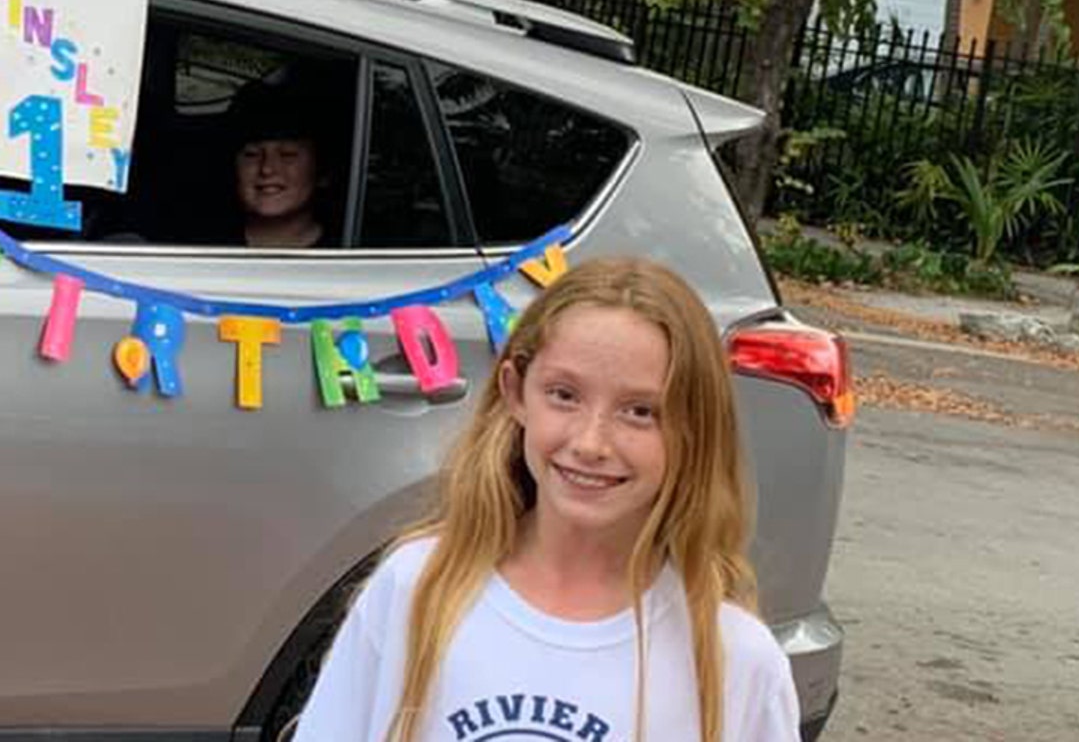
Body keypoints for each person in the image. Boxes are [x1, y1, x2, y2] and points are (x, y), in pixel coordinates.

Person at [293, 258, 801, 742]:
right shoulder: (415, 588)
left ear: (695, 427)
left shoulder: (735, 661)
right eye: (564, 395)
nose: (590, 443)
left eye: (640, 411)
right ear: (516, 391)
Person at [228, 78, 335, 249]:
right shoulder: (193, 246)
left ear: (322, 173)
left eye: (288, 155)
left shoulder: (351, 254)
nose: (267, 169)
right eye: (252, 154)